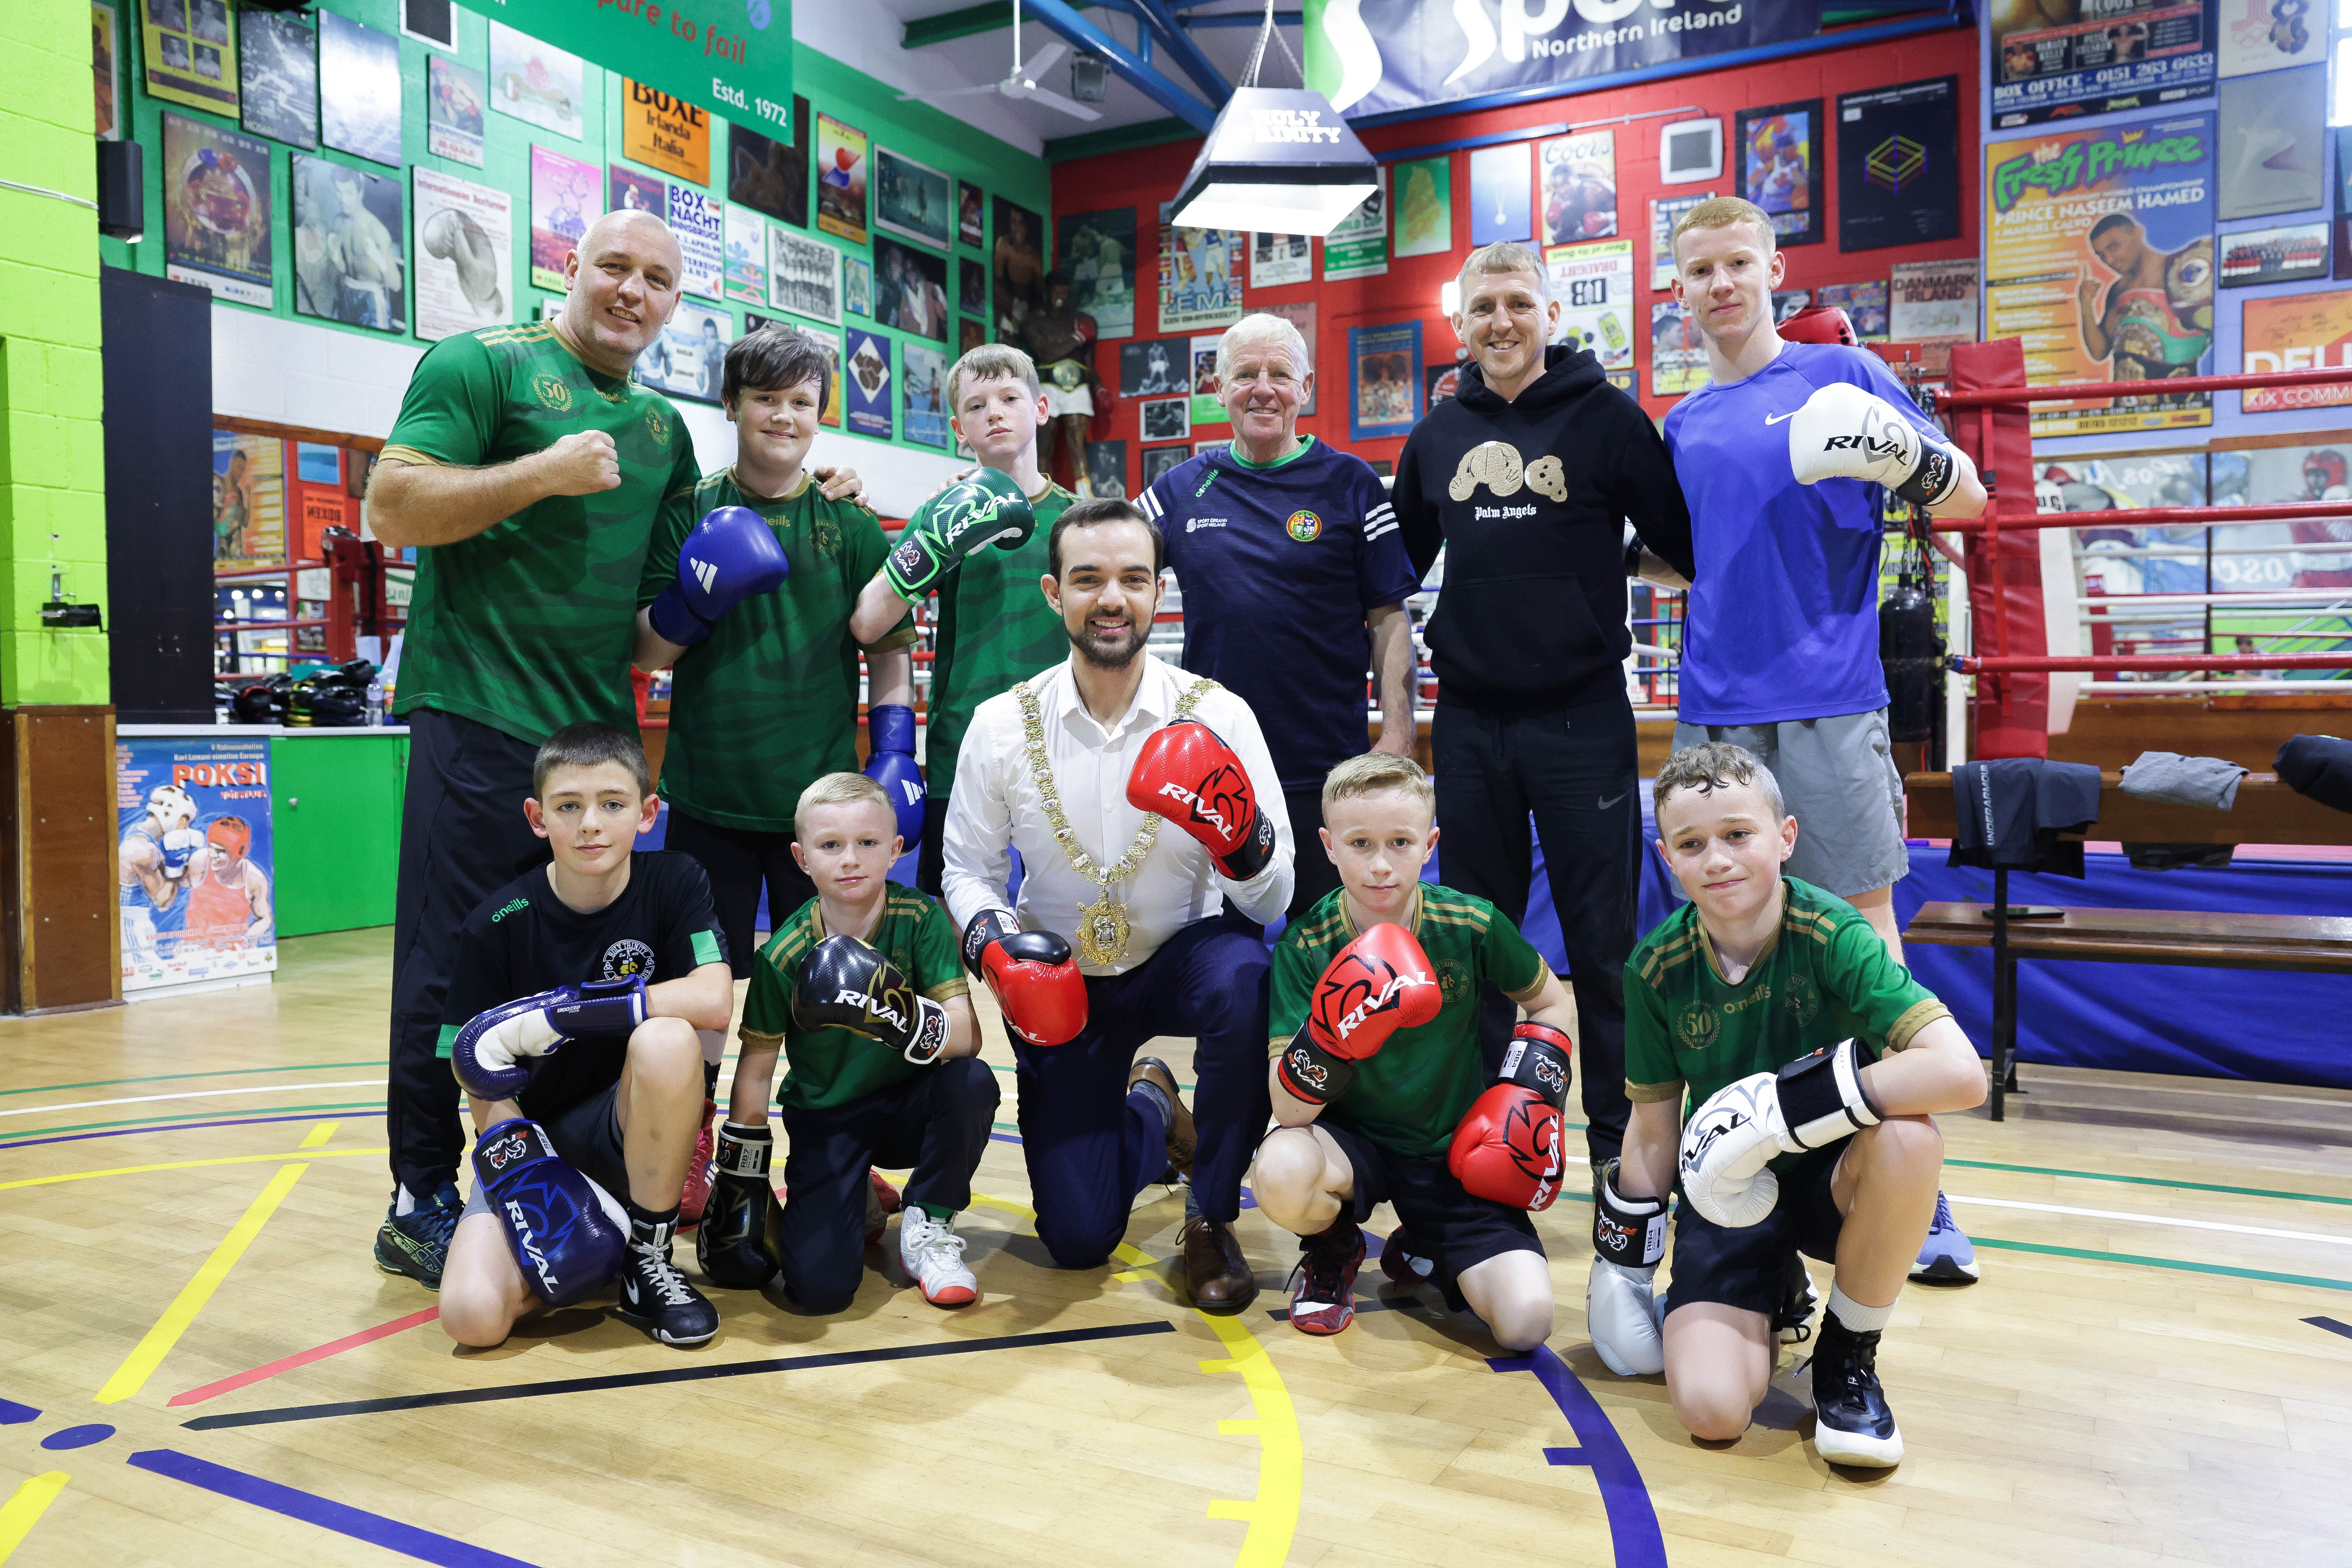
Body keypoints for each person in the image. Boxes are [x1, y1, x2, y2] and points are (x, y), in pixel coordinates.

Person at [368, 208, 865, 1287]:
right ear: (571, 268)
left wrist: (698, 599)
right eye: (614, 267)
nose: (632, 291)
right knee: (448, 965)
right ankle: (418, 1196)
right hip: (480, 714)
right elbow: (393, 506)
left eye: (658, 278)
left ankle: (572, 1168)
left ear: (675, 302)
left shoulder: (663, 436)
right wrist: (540, 474)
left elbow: (651, 640)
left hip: (596, 745)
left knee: (603, 979)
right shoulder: (483, 366)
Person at [1661, 198, 1989, 1287]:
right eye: (1699, 269)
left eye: (1735, 264)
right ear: (1680, 288)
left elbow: (1973, 500)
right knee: (1726, 942)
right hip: (1714, 709)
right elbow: (1680, 556)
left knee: (1863, 928)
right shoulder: (1680, 424)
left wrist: (1910, 459)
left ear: (1772, 268)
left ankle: (1917, 1177)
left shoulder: (1840, 379)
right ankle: (1730, 1166)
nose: (1720, 284)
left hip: (1833, 702)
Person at [942, 499, 1294, 1311]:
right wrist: (996, 941)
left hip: (1183, 952)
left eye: (1133, 578)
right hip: (1060, 982)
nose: (1112, 598)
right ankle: (1150, 1107)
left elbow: (1275, 894)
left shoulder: (1218, 713)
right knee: (1077, 1237)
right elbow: (967, 868)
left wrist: (1243, 843)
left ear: (1159, 592)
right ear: (1052, 593)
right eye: (1088, 578)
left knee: (1244, 977)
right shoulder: (1001, 724)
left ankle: (1210, 1216)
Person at [1394, 240, 1696, 1181]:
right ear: (1461, 325)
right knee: (1474, 935)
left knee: (1604, 942)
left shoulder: (1609, 419)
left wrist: (1591, 567)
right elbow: (1394, 568)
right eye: (1482, 307)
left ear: (1550, 313)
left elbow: (1682, 548)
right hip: (1471, 717)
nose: (1501, 322)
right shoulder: (1437, 436)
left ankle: (1620, 1146)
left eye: (1518, 303)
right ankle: (1470, 1135)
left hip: (1582, 715)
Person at [1593, 743, 1985, 1467]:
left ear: (1786, 837)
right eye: (1692, 843)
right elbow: (1651, 1132)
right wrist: (1621, 1266)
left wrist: (1784, 1110)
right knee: (1712, 1413)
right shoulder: (1655, 968)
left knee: (1911, 1142)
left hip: (1830, 1178)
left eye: (1738, 834)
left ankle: (1847, 1357)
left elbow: (1963, 1074)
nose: (1718, 859)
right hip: (1725, 1189)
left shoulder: (1835, 933)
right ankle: (1780, 1291)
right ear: (1667, 857)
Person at [632, 328, 917, 1205]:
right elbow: (648, 650)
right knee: (711, 995)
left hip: (822, 811)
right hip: (713, 794)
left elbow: (889, 646)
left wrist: (898, 750)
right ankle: (692, 1146)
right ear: (733, 406)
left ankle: (835, 1146)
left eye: (801, 401)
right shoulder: (688, 508)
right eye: (766, 398)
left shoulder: (850, 521)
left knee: (838, 991)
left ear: (820, 414)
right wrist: (693, 598)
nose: (784, 416)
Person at [1252, 753, 1575, 1348]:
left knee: (1526, 1324)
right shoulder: (1307, 945)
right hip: (1352, 1145)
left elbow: (1554, 1005)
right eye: (1360, 843)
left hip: (1456, 1147)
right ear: (1327, 845)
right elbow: (1289, 1109)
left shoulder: (1469, 923)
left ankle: (1428, 1242)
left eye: (1400, 842)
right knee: (1279, 1173)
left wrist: (1524, 1098)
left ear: (1430, 844)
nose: (1380, 865)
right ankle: (1334, 1244)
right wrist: (1335, 1031)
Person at [436, 723, 733, 1350]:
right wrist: (531, 1178)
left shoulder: (675, 880)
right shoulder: (494, 924)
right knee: (472, 1316)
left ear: (647, 813)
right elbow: (470, 1066)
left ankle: (648, 1256)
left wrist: (565, 1014)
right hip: (539, 1143)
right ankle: (601, 1251)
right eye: (569, 806)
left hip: (633, 1130)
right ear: (537, 817)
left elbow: (713, 998)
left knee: (668, 1039)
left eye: (613, 804)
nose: (591, 824)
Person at [1137, 313, 1421, 921]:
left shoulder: (1352, 484)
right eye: (1245, 374)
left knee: (1330, 948)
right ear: (1218, 389)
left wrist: (1397, 738)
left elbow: (1390, 619)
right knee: (1228, 957)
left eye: (1279, 374)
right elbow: (1102, 546)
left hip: (1328, 767)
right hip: (1215, 773)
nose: (1262, 388)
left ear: (1307, 388)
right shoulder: (1182, 489)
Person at [712, 773, 999, 1312]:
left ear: (895, 851)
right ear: (802, 858)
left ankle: (930, 1222)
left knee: (971, 1083)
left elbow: (967, 1038)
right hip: (828, 1117)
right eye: (830, 845)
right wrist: (739, 1177)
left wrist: (891, 1011)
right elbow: (755, 1071)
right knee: (818, 1293)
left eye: (867, 843)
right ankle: (857, 1193)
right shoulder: (784, 954)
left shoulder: (920, 918)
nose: (850, 859)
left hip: (909, 1107)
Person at [851, 343, 1076, 898]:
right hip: (965, 746)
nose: (994, 413)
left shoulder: (1079, 519)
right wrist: (935, 537)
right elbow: (868, 624)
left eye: (1009, 398)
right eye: (976, 407)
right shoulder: (941, 512)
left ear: (1041, 409)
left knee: (1068, 909)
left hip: (1065, 745)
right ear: (958, 429)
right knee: (958, 906)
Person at [1014, 271, 1103, 490]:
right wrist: (1077, 338)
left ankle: (1085, 495)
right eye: (1057, 288)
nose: (1061, 293)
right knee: (1044, 440)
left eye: (1065, 288)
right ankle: (1043, 492)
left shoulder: (1082, 320)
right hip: (1047, 383)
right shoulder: (1033, 321)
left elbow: (1089, 362)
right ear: (1048, 290)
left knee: (1077, 438)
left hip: (1078, 383)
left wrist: (1099, 387)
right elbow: (1045, 354)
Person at [184, 815, 273, 949]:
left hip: (233, 951)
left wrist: (248, 940)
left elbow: (265, 918)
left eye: (220, 851)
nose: (213, 855)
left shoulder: (254, 879)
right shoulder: (200, 861)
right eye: (210, 847)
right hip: (196, 948)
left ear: (241, 851)